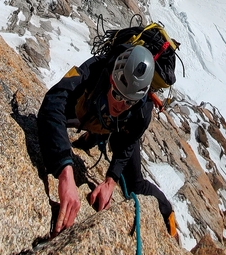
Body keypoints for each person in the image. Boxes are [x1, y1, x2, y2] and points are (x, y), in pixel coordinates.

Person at [37, 44, 177, 238]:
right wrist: (65, 172)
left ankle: (167, 211)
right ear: (111, 78)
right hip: (92, 115)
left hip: (118, 128)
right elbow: (53, 103)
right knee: (85, 122)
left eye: (129, 101)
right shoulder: (93, 71)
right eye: (117, 94)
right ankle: (93, 136)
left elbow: (129, 143)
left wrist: (111, 181)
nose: (120, 105)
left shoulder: (141, 110)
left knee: (135, 184)